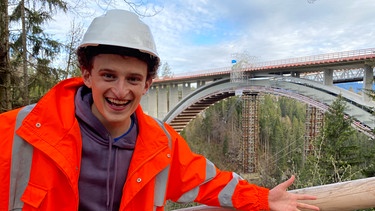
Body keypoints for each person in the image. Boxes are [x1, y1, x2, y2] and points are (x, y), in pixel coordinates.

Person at [0, 9, 320, 211]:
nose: (120, 91)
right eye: (108, 75)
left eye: (133, 79)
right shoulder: (22, 130)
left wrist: (264, 199)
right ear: (86, 73)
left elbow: (210, 182)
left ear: (149, 83)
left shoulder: (160, 145)